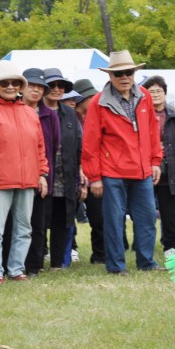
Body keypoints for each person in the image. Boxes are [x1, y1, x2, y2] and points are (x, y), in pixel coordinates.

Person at [81, 50, 164, 275]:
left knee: (147, 218)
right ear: (110, 76)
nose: (124, 77)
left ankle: (146, 262)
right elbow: (90, 143)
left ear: (134, 73)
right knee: (114, 221)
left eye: (128, 72)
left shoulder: (145, 95)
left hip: (143, 170)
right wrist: (95, 177)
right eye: (119, 74)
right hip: (112, 172)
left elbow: (153, 132)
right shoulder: (98, 103)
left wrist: (155, 161)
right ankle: (117, 266)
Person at [0, 62, 48, 283]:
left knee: (24, 228)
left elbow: (40, 147)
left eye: (14, 82)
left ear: (19, 86)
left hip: (27, 181)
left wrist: (42, 173)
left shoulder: (30, 114)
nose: (9, 86)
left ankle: (16, 269)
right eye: (4, 83)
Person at [13, 69, 60, 277]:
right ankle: (13, 264)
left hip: (41, 175)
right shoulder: (11, 110)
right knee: (13, 223)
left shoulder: (50, 115)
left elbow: (54, 145)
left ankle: (35, 265)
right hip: (13, 176)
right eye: (32, 85)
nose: (36, 90)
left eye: (40, 87)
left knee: (38, 224)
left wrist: (44, 174)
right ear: (22, 87)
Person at [144, 75, 175, 258]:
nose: (155, 94)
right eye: (151, 91)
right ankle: (145, 247)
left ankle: (170, 246)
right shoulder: (141, 113)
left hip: (170, 168)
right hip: (146, 168)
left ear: (165, 93)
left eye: (159, 91)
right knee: (146, 212)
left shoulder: (174, 115)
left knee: (171, 212)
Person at [43, 68, 85, 268]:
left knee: (63, 219)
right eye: (52, 85)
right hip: (43, 176)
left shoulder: (70, 114)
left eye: (61, 86)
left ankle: (60, 263)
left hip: (66, 175)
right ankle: (36, 261)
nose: (56, 89)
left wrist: (81, 172)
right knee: (39, 221)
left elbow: (80, 146)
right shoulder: (34, 111)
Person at [73, 78, 104, 264]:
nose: (95, 99)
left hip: (94, 174)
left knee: (98, 216)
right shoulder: (69, 118)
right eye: (91, 96)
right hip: (72, 173)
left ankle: (100, 254)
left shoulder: (98, 117)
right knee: (66, 218)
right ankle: (68, 251)